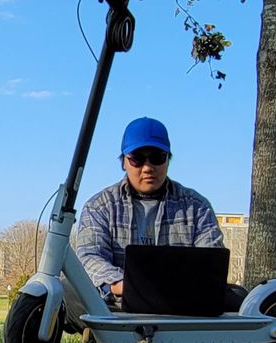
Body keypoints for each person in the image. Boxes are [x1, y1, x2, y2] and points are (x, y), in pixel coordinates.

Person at [72, 117, 238, 309]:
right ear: (124, 162)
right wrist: (123, 285)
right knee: (67, 290)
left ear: (168, 160)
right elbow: (90, 257)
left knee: (239, 297)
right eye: (138, 158)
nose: (148, 167)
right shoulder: (98, 206)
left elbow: (211, 261)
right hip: (113, 302)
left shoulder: (197, 206)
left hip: (182, 304)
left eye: (157, 157)